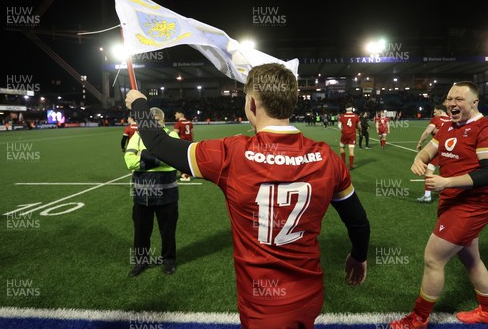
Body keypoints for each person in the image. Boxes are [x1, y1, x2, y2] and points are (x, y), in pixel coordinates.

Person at [126, 63, 370, 328]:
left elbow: (159, 144)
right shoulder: (327, 158)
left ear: (252, 104)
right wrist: (358, 256)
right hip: (308, 296)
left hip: (262, 304)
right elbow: (358, 221)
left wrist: (139, 104)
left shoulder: (232, 153)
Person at [390, 81, 488, 329]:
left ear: (474, 102)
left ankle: (418, 319)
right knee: (472, 260)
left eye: (459, 99)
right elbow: (428, 151)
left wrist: (447, 182)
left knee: (433, 259)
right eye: (449, 99)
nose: (452, 104)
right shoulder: (447, 127)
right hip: (451, 205)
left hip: (470, 208)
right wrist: (418, 160)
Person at [124, 107, 180, 277]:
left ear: (162, 120)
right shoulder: (138, 135)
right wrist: (158, 157)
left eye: (156, 120)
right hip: (142, 196)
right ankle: (141, 261)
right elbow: (129, 161)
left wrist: (144, 155)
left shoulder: (172, 136)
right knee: (141, 231)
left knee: (168, 230)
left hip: (167, 194)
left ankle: (168, 260)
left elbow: (174, 161)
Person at [416, 105, 451, 203]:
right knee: (448, 172)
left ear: (440, 112)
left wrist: (420, 143)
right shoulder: (452, 119)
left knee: (429, 171)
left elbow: (427, 132)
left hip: (438, 149)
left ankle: (427, 196)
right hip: (450, 150)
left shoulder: (436, 119)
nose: (434, 114)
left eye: (435, 112)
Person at [338, 104, 361, 170]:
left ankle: (343, 163)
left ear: (346, 109)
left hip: (344, 134)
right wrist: (360, 131)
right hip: (352, 135)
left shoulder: (342, 116)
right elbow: (359, 126)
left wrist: (342, 130)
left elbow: (339, 126)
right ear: (352, 108)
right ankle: (351, 165)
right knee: (351, 150)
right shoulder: (356, 116)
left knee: (342, 147)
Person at [173, 109, 194, 182]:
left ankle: (186, 175)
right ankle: (187, 173)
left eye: (176, 113)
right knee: (188, 159)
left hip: (182, 144)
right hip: (190, 143)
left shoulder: (178, 124)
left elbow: (175, 135)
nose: (175, 115)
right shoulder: (189, 122)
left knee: (182, 160)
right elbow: (191, 133)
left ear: (180, 114)